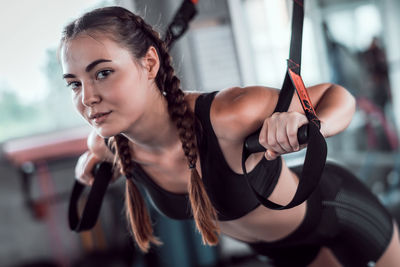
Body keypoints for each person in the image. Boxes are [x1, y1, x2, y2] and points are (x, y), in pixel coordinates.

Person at [59, 6, 400, 267]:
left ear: (149, 64)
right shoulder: (107, 144)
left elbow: (338, 98)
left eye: (103, 73)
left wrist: (309, 125)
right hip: (279, 249)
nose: (87, 98)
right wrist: (84, 165)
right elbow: (94, 154)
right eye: (74, 83)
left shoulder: (228, 114)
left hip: (339, 214)